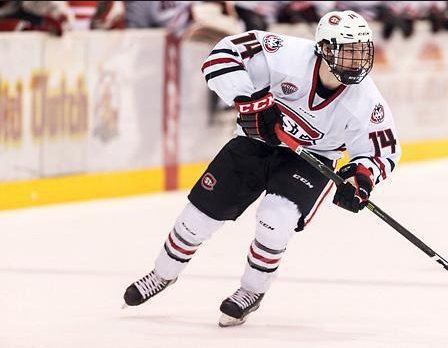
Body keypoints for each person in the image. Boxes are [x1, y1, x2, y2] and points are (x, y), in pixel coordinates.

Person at [122, 10, 401, 327]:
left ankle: (252, 291)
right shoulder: (285, 54)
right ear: (323, 48)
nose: (355, 60)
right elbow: (221, 55)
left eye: (361, 51)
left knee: (276, 217)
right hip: (255, 143)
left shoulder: (366, 99)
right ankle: (162, 274)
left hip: (313, 159)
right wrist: (250, 100)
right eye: (347, 51)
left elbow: (382, 150)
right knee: (196, 219)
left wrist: (361, 178)